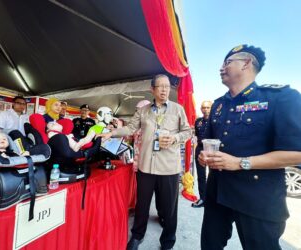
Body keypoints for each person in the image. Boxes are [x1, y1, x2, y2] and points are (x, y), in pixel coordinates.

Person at [198, 44, 301, 250]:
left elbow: (296, 154)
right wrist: (203, 156)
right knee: (209, 245)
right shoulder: (218, 104)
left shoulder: (280, 98)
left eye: (227, 62)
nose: (221, 68)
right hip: (218, 192)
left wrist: (240, 163)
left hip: (258, 199)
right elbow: (207, 141)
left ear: (246, 63)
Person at [98, 74, 192, 250]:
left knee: (169, 207)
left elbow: (188, 132)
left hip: (168, 167)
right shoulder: (143, 110)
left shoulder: (178, 109)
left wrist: (174, 138)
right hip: (146, 166)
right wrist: (111, 133)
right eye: (160, 86)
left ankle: (168, 241)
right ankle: (137, 236)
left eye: (167, 86)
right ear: (152, 89)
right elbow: (130, 128)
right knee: (142, 205)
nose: (164, 89)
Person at [191, 100, 212, 208]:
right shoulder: (198, 121)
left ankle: (212, 199)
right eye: (204, 107)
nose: (206, 110)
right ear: (201, 109)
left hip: (212, 150)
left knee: (213, 175)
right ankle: (203, 198)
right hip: (200, 149)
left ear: (211, 108)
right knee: (201, 176)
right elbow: (196, 135)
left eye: (208, 107)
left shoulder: (216, 120)